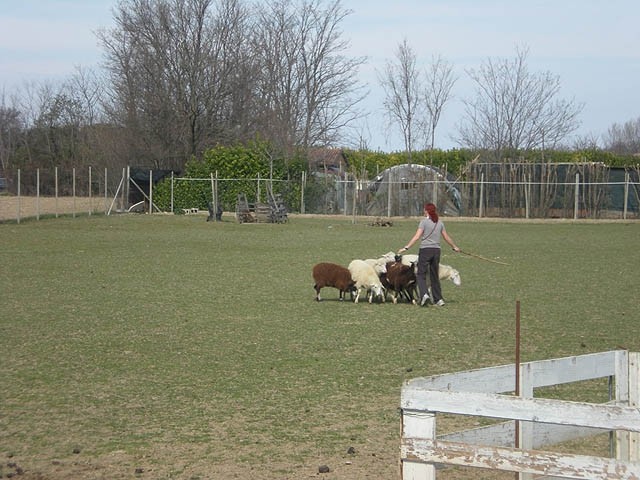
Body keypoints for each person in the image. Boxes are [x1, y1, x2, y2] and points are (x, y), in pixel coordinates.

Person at [398, 203, 461, 306]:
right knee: (434, 276)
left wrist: (406, 247)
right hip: (436, 251)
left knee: (420, 274)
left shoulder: (423, 222)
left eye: (424, 210)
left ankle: (424, 295)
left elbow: (417, 236)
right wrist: (454, 247)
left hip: (425, 250)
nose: (423, 211)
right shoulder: (440, 223)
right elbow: (446, 237)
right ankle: (438, 299)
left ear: (427, 211)